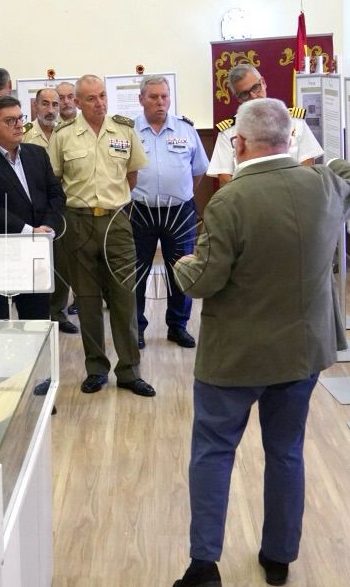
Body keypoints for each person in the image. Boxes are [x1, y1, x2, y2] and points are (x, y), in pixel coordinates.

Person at [169, 99, 350, 587]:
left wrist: (180, 265)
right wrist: (325, 159)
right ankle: (279, 557)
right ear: (292, 139)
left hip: (234, 357)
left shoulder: (230, 200)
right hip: (300, 353)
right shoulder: (324, 186)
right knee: (286, 452)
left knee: (213, 452)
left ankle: (204, 562)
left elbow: (205, 280)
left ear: (238, 144)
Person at [47, 75, 155, 397]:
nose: (100, 103)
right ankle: (96, 368)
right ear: (77, 103)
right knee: (88, 300)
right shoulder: (63, 135)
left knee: (124, 298)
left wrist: (110, 204)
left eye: (102, 96)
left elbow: (131, 177)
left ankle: (130, 371)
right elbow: (56, 180)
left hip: (117, 222)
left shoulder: (124, 129)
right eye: (91, 98)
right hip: (78, 223)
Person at [0, 95, 63, 320]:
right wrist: (28, 230)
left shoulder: (37, 154)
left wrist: (47, 226)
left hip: (36, 250)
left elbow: (56, 195)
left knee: (37, 319)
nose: (18, 125)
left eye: (20, 118)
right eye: (10, 121)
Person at [130, 76, 208, 350]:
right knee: (136, 272)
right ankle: (136, 327)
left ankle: (178, 326)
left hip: (180, 211)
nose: (160, 102)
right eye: (153, 97)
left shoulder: (186, 130)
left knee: (182, 270)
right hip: (140, 210)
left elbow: (198, 170)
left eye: (164, 96)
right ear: (141, 100)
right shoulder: (129, 131)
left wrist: (180, 192)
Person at [207, 64, 324, 182]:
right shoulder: (228, 132)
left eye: (255, 88)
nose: (253, 96)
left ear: (263, 82)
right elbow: (224, 175)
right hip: (249, 196)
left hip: (290, 192)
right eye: (244, 94)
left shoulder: (294, 121)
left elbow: (307, 162)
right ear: (238, 98)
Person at [22, 85, 77, 334]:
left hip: (59, 205)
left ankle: (57, 312)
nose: (51, 109)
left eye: (55, 105)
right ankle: (34, 314)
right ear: (35, 106)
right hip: (31, 208)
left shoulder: (68, 133)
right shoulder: (23, 133)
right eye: (45, 103)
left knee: (62, 262)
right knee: (35, 262)